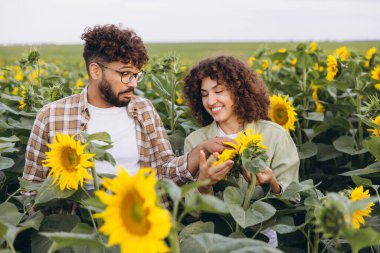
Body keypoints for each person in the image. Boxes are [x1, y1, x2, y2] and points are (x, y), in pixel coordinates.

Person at [22, 25, 230, 191]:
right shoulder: (52, 116)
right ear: (96, 71)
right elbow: (32, 187)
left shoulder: (144, 110)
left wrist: (201, 150)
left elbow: (164, 173)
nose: (133, 83)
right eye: (125, 74)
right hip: (79, 229)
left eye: (136, 75)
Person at [183, 56, 300, 247]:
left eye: (218, 91)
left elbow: (293, 200)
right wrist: (204, 186)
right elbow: (193, 213)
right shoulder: (196, 142)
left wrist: (272, 184)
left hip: (262, 240)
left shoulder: (275, 135)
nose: (211, 101)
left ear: (239, 91)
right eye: (204, 94)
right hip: (216, 243)